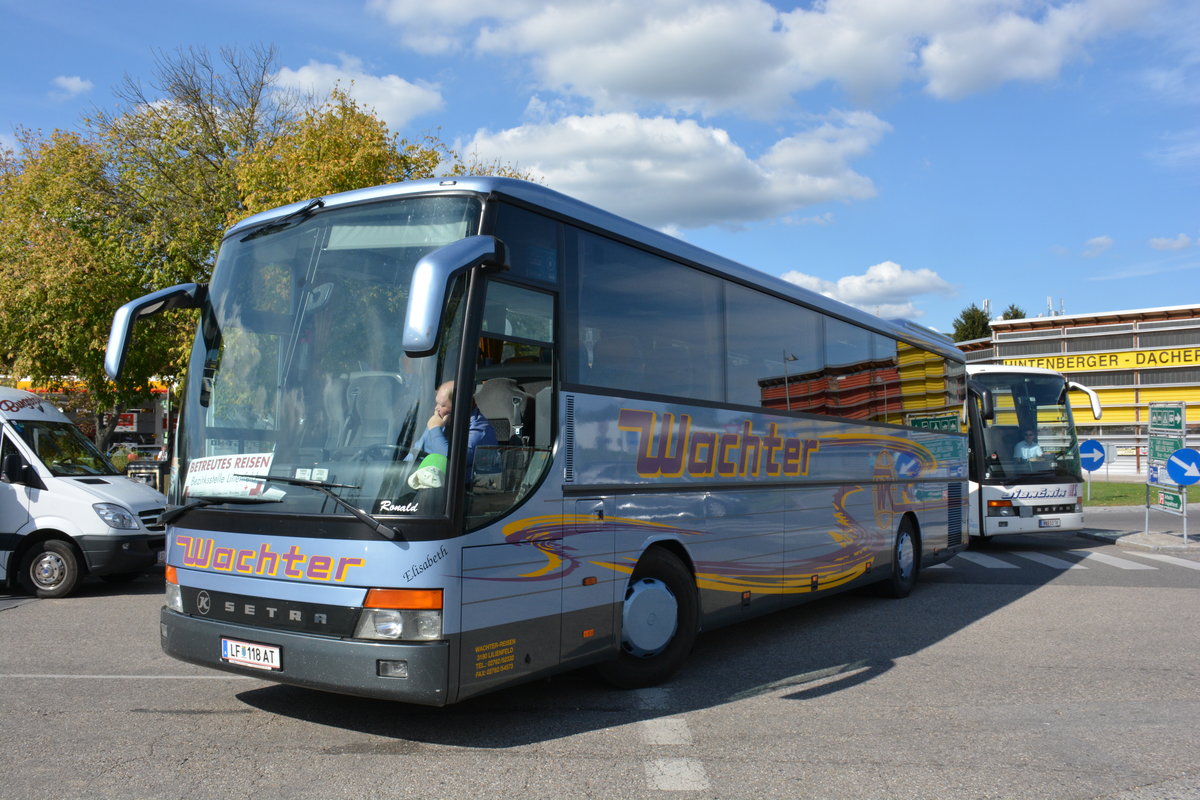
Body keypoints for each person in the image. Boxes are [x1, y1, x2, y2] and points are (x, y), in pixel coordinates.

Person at [410, 381, 498, 483]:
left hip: (459, 489)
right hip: (426, 483)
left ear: (459, 407)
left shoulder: (480, 431)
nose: (436, 409)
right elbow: (413, 454)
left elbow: (451, 461)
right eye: (437, 403)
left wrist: (435, 429)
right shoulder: (440, 422)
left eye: (442, 405)